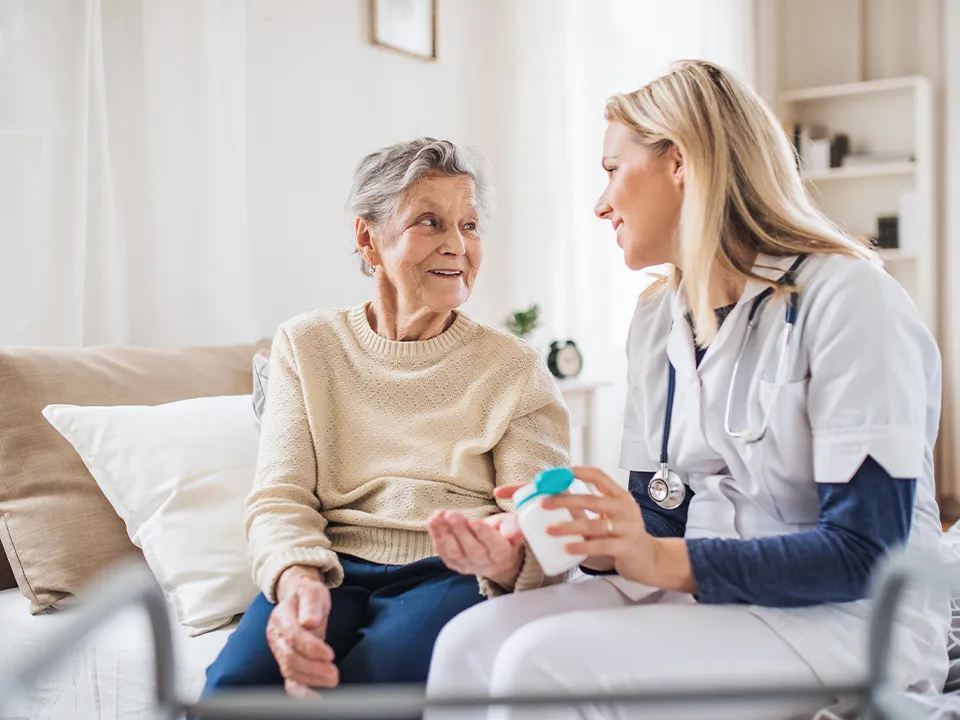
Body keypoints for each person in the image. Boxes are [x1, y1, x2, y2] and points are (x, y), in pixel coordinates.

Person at [424, 60, 949, 720]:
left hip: (843, 619)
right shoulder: (657, 322)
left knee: (544, 665)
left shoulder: (848, 299)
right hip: (708, 589)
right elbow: (664, 505)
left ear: (679, 162)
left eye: (613, 168)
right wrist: (554, 538)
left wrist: (656, 555)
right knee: (471, 641)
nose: (601, 201)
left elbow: (865, 553)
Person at [201, 138, 571, 698]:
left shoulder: (513, 366)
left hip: (451, 570)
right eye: (430, 221)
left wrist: (508, 554)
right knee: (236, 687)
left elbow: (541, 513)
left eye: (469, 226)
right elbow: (280, 495)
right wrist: (295, 575)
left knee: (377, 683)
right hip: (332, 563)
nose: (456, 246)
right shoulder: (307, 344)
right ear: (367, 238)